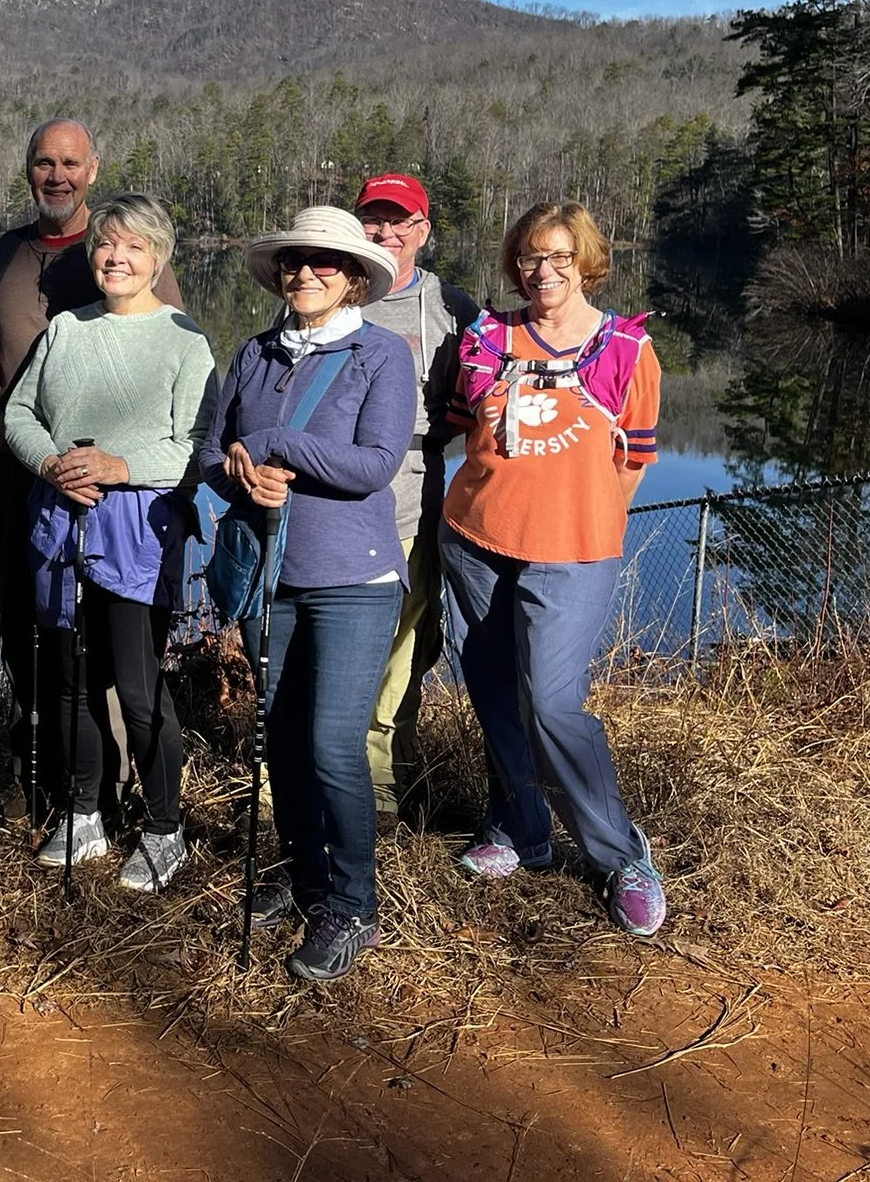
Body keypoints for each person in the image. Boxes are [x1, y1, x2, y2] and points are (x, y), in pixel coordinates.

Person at [441, 200, 667, 937]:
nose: (544, 272)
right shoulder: (486, 337)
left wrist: (582, 512)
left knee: (553, 706)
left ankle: (619, 856)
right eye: (533, 258)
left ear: (587, 262)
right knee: (497, 695)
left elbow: (633, 459)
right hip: (475, 539)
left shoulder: (624, 351)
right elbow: (451, 427)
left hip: (574, 552)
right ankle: (522, 827)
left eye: (561, 258)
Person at [200, 206, 414, 981]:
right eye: (295, 260)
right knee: (281, 739)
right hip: (271, 576)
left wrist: (278, 445)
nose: (305, 273)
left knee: (330, 745)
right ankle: (304, 873)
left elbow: (374, 465)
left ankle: (354, 907)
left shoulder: (381, 354)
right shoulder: (255, 354)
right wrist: (235, 468)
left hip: (354, 580)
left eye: (325, 262)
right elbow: (208, 450)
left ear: (354, 276)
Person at [0, 120, 182, 813]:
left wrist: (115, 463)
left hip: (112, 490)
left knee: (111, 642)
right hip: (23, 475)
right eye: (44, 163)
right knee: (28, 624)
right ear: (28, 170)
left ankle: (113, 786)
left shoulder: (124, 253)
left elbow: (167, 358)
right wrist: (9, 431)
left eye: (70, 163)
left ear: (93, 169)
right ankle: (44, 769)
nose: (57, 175)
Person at [1, 194, 215, 893]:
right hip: (61, 524)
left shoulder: (185, 340)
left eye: (133, 247)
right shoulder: (65, 331)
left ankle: (163, 828)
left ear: (158, 257)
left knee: (138, 684)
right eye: (105, 246)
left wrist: (118, 467)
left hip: (139, 535)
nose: (116, 258)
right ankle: (85, 812)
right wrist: (49, 464)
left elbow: (194, 450)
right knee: (69, 682)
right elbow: (20, 414)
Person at [351, 174, 478, 818]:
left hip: (413, 503)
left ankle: (385, 797)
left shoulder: (452, 307)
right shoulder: (328, 290)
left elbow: (477, 405)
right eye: (372, 220)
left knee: (405, 658)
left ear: (422, 232)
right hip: (331, 513)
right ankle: (294, 793)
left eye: (398, 222)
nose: (382, 234)